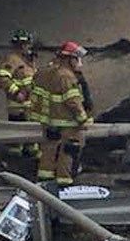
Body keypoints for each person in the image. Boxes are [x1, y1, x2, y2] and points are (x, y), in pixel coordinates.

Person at [30, 42, 93, 190]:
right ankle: (65, 184)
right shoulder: (67, 77)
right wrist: (83, 119)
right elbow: (72, 101)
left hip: (50, 121)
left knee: (49, 151)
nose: (80, 63)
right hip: (68, 123)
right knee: (69, 151)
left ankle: (44, 182)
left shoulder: (47, 72)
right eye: (77, 59)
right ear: (69, 59)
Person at [0, 29, 39, 159]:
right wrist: (17, 93)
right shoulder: (13, 60)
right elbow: (2, 78)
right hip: (18, 106)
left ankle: (30, 156)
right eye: (27, 45)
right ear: (21, 45)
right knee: (17, 137)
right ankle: (14, 162)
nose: (29, 47)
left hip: (29, 106)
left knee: (31, 134)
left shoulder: (27, 61)